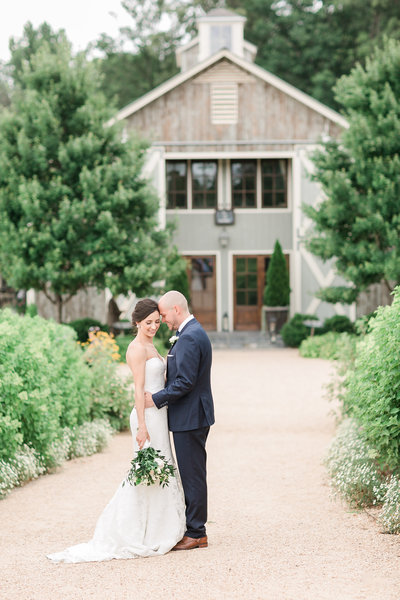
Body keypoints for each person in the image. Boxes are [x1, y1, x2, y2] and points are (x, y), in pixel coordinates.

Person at [47, 298, 185, 563]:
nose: (154, 326)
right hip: (147, 418)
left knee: (163, 466)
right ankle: (138, 530)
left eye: (157, 322)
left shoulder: (150, 344)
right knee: (147, 470)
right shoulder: (135, 348)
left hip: (159, 414)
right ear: (136, 322)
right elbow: (137, 389)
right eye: (148, 323)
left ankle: (161, 525)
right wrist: (142, 426)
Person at [145, 290, 215, 551]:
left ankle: (197, 532)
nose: (162, 320)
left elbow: (185, 382)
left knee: (192, 474)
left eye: (163, 315)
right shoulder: (191, 333)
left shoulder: (189, 337)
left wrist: (156, 398)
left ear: (176, 309)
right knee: (192, 472)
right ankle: (194, 528)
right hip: (191, 414)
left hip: (191, 416)